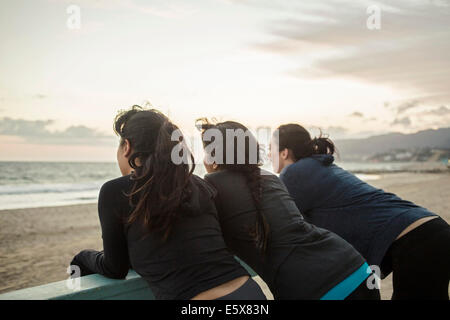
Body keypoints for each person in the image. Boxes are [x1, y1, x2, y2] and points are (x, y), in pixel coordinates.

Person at [70, 106, 266, 300]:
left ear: (127, 147)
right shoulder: (198, 185)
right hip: (249, 292)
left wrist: (83, 257)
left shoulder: (114, 191)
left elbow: (115, 268)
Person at [196, 118, 380, 300]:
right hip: (353, 266)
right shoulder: (269, 177)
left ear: (213, 156)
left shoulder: (212, 188)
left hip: (313, 288)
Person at [272, 123, 450, 300]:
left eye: (270, 148)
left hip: (418, 240)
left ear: (284, 152)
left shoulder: (292, 173)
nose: (267, 154)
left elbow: (281, 223)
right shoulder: (317, 166)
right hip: (431, 230)